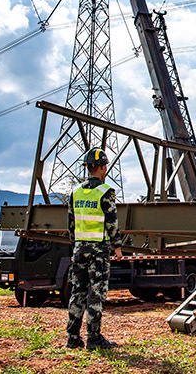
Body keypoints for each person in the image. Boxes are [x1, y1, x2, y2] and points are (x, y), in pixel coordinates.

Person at [66, 148, 122, 350]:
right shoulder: (105, 192)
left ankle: (72, 338)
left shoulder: (76, 192)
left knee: (77, 291)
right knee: (96, 293)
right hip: (98, 249)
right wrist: (117, 247)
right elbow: (112, 223)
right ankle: (93, 337)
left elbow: (71, 224)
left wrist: (76, 244)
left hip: (79, 248)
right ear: (103, 167)